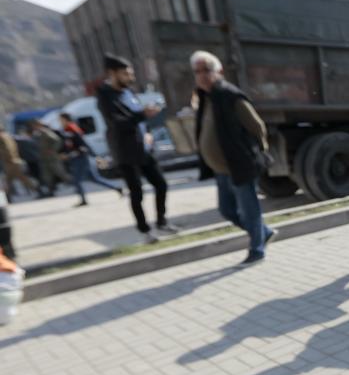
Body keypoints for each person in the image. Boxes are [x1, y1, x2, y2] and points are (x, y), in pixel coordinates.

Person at [191, 51, 277, 265]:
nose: (202, 76)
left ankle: (257, 249)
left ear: (218, 71)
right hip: (221, 169)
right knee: (227, 210)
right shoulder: (206, 97)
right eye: (198, 72)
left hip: (240, 164)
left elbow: (256, 126)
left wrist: (259, 151)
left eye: (206, 70)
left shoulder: (229, 95)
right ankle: (263, 232)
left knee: (249, 210)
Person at [96, 53, 175, 243]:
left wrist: (146, 130)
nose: (130, 77)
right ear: (112, 74)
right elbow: (117, 123)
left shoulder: (129, 93)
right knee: (137, 192)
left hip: (143, 148)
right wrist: (142, 115)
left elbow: (139, 117)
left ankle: (162, 221)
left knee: (161, 184)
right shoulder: (105, 96)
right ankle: (145, 231)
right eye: (125, 74)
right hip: (125, 152)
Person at [59, 113, 123, 207]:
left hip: (80, 157)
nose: (60, 122)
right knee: (94, 178)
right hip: (79, 156)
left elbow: (81, 144)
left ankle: (83, 200)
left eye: (60, 119)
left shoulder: (71, 128)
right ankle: (117, 188)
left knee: (77, 180)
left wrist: (72, 154)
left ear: (65, 119)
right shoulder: (67, 129)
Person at [29, 120, 70, 197]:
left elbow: (57, 140)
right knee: (46, 176)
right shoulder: (36, 134)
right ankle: (51, 191)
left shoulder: (45, 132)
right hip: (43, 158)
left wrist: (52, 149)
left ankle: (74, 184)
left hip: (51, 157)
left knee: (60, 172)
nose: (34, 127)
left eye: (35, 125)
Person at [0, 124, 38, 201]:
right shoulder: (7, 136)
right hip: (12, 160)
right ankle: (7, 198)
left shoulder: (2, 137)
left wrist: (7, 157)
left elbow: (7, 149)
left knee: (22, 179)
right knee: (8, 181)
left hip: (10, 162)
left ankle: (37, 190)